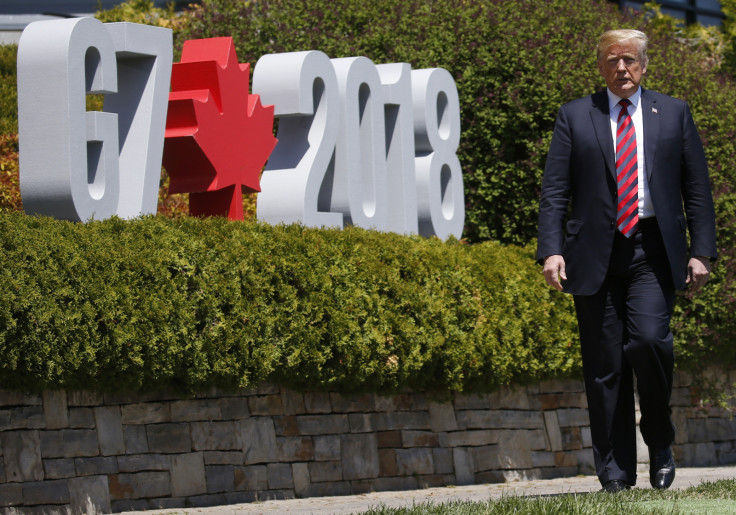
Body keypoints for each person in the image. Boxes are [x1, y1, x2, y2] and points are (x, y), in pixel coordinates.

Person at [536, 29, 717, 493]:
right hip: (593, 254)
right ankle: (615, 475)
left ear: (644, 65)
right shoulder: (575, 115)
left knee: (649, 343)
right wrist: (551, 249)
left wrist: (701, 251)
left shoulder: (673, 113)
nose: (622, 68)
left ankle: (659, 440)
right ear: (601, 66)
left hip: (652, 250)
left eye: (631, 59)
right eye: (613, 60)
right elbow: (556, 190)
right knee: (604, 367)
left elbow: (696, 187)